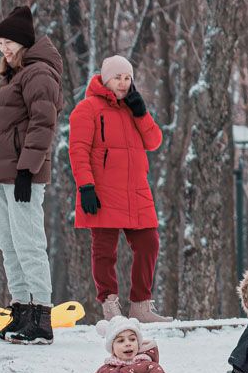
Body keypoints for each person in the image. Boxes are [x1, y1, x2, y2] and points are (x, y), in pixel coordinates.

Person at [0, 6, 63, 344]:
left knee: (28, 244)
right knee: (9, 246)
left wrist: (27, 169)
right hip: (0, 177)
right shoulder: (10, 80)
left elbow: (43, 124)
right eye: (0, 44)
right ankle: (21, 310)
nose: (4, 49)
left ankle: (41, 316)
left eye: (9, 42)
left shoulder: (38, 73)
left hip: (22, 175)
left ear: (24, 42)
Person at [68, 54, 171, 323]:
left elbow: (154, 141)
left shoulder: (132, 108)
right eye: (118, 77)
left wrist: (141, 112)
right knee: (104, 250)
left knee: (149, 242)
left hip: (136, 191)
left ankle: (141, 306)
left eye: (127, 78)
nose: (123, 83)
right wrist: (86, 186)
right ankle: (110, 304)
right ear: (105, 78)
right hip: (102, 190)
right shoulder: (87, 109)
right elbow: (78, 150)